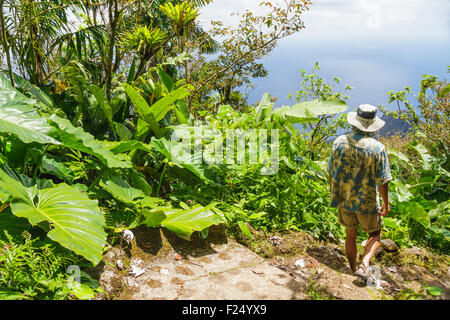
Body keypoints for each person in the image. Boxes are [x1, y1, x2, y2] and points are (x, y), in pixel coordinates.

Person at [327, 104, 392, 279]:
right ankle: (365, 263)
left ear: (354, 122)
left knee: (350, 234)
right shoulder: (377, 148)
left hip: (344, 197)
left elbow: (330, 172)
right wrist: (386, 203)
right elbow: (383, 180)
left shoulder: (339, 142)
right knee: (375, 234)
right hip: (367, 201)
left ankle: (353, 269)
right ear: (372, 125)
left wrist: (334, 193)